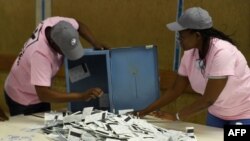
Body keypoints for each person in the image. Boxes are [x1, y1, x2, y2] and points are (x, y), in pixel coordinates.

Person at [136, 7, 250, 128]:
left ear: (197, 35)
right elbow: (175, 90)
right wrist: (143, 112)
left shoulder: (222, 53)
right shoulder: (189, 54)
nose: (179, 40)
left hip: (244, 114)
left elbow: (208, 99)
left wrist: (176, 116)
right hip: (217, 114)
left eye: (182, 36)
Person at [4, 16, 107, 116]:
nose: (67, 55)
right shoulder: (40, 55)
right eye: (65, 51)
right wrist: (81, 96)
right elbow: (44, 94)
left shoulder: (58, 25)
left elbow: (79, 25)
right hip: (22, 97)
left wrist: (95, 42)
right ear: (53, 43)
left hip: (39, 94)